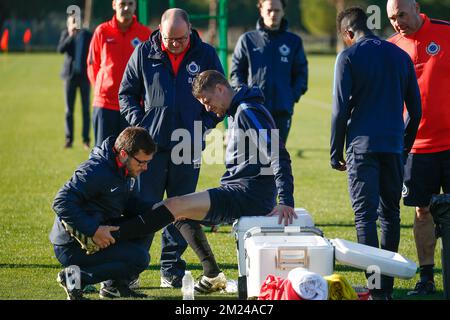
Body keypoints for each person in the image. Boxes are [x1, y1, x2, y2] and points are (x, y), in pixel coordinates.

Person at [67, 71, 297, 293]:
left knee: (174, 206)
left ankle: (105, 237)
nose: (207, 108)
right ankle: (211, 273)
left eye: (207, 100)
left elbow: (278, 153)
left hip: (248, 195)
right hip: (239, 190)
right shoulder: (239, 110)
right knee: (178, 213)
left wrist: (286, 199)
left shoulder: (248, 110)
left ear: (220, 88)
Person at [119, 8, 225, 291]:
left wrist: (204, 124)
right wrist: (140, 125)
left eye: (180, 38)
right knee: (144, 206)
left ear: (190, 30)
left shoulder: (206, 55)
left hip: (187, 145)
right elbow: (126, 93)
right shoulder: (144, 52)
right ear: (160, 32)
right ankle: (132, 268)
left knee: (181, 209)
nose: (174, 44)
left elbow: (220, 94)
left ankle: (171, 270)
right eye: (169, 39)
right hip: (148, 149)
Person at [330, 7, 422, 300]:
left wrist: (335, 150)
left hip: (362, 148)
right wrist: (404, 144)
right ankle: (387, 290)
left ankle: (373, 288)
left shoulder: (348, 57)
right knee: (391, 215)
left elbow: (339, 110)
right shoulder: (399, 54)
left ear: (347, 33)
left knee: (365, 218)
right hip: (393, 146)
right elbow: (416, 111)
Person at [386, 0, 450, 296]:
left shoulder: (446, 33)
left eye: (401, 14)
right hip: (414, 147)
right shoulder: (390, 47)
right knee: (422, 211)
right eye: (391, 17)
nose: (397, 21)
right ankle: (427, 277)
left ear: (416, 8)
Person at [50, 127, 156, 300]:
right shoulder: (96, 169)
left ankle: (114, 287)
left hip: (98, 229)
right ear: (123, 154)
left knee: (148, 223)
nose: (145, 168)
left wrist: (159, 209)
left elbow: (129, 204)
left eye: (147, 162)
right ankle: (74, 278)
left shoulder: (124, 167)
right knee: (140, 259)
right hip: (72, 245)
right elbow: (61, 202)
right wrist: (93, 230)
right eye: (141, 162)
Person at [230, 0, 308, 144]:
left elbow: (301, 75)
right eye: (269, 10)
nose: (273, 14)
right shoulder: (247, 40)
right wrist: (246, 98)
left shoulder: (294, 41)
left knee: (276, 158)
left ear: (283, 11)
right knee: (253, 159)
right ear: (261, 10)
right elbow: (236, 74)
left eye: (277, 10)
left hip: (282, 112)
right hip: (253, 111)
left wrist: (290, 97)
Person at [87, 0, 150, 147]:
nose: (126, 8)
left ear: (135, 6)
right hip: (105, 105)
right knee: (103, 154)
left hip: (133, 106)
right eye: (122, 4)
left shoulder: (145, 34)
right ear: (114, 5)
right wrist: (102, 90)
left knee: (131, 156)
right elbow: (92, 65)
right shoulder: (102, 31)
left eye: (130, 3)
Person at [57, 14, 92, 150]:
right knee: (69, 111)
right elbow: (60, 50)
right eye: (72, 22)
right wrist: (70, 36)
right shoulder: (66, 34)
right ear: (68, 24)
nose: (75, 24)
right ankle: (69, 139)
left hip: (84, 77)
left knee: (85, 110)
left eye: (77, 22)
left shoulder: (87, 35)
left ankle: (86, 140)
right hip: (69, 77)